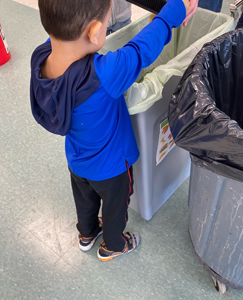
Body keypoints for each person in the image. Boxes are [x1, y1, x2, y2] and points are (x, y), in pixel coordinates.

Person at [30, 0, 189, 261]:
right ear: (94, 32)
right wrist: (175, 10)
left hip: (77, 161)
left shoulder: (40, 58)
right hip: (112, 169)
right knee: (116, 209)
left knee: (85, 201)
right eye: (106, 22)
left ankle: (87, 233)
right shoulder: (102, 74)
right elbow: (141, 50)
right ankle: (114, 244)